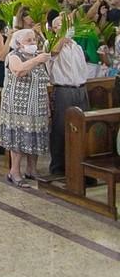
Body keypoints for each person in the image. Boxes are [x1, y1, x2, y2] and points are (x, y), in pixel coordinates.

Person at [0, 28, 51, 188]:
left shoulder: (37, 57)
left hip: (38, 105)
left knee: (35, 136)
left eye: (34, 40)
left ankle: (32, 169)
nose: (33, 43)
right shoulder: (13, 56)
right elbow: (19, 71)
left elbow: (44, 81)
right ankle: (14, 172)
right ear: (19, 43)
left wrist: (47, 105)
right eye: (29, 40)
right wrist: (37, 60)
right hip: (18, 106)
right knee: (19, 138)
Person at [47, 16, 88, 177]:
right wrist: (62, 37)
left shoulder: (75, 46)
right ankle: (58, 165)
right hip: (64, 89)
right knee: (60, 127)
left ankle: (79, 164)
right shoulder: (51, 43)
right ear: (54, 28)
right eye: (62, 26)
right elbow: (52, 52)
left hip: (80, 88)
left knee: (82, 127)